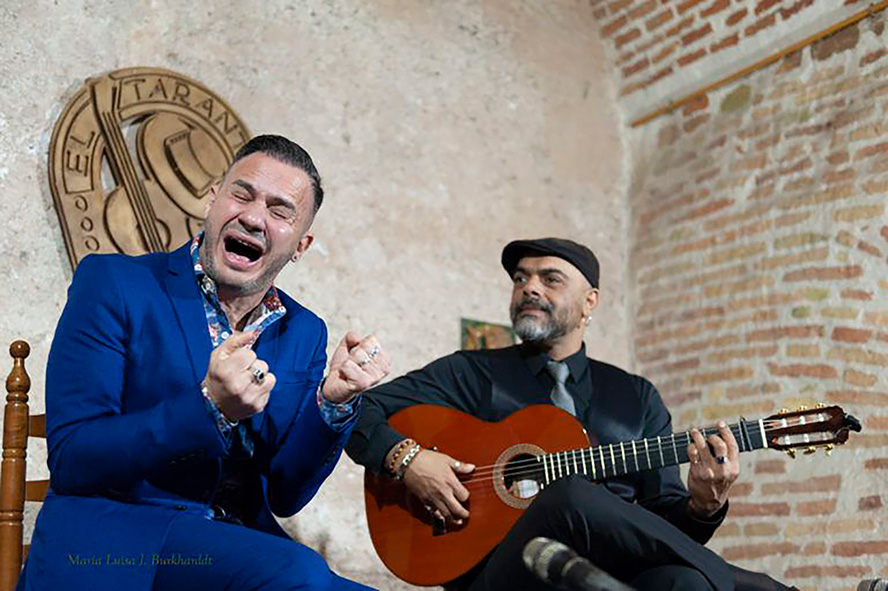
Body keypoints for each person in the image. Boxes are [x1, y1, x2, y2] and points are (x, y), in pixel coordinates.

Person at [20, 135, 388, 591]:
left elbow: (288, 494)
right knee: (300, 573)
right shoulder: (113, 283)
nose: (254, 218)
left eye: (279, 211)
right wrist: (208, 406)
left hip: (235, 548)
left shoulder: (304, 330)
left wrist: (332, 404)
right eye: (242, 194)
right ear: (213, 199)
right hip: (118, 544)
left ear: (300, 244)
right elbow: (75, 458)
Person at [346, 238, 797, 591]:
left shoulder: (635, 396)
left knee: (688, 581)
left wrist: (703, 505)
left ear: (590, 302)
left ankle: (722, 581)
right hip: (500, 572)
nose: (530, 288)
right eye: (521, 278)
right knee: (568, 494)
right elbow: (355, 411)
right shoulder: (473, 372)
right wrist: (407, 460)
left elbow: (665, 520)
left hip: (609, 576)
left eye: (551, 279)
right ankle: (753, 586)